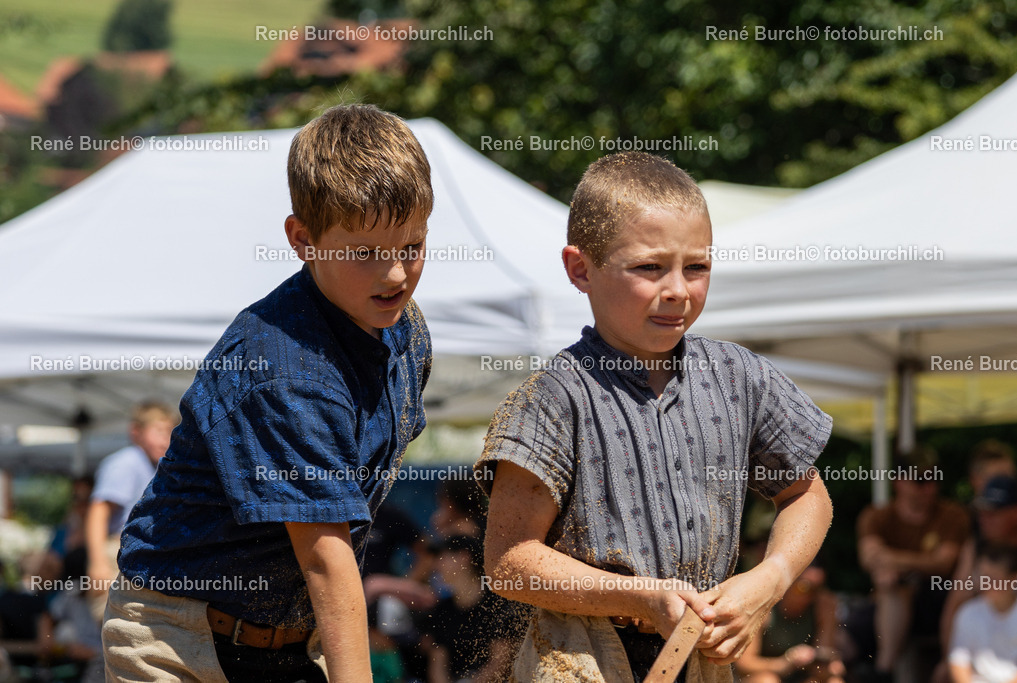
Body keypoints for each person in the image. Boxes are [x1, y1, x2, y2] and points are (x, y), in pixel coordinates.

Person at [101, 103, 434, 682]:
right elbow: (326, 558)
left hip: (296, 637)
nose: (396, 274)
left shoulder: (405, 330)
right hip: (178, 638)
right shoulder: (284, 369)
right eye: (366, 253)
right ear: (302, 239)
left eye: (411, 246)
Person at [476, 151, 834, 682]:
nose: (677, 290)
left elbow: (807, 495)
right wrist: (640, 598)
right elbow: (508, 561)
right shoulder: (554, 397)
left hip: (702, 656)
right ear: (581, 269)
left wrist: (771, 579)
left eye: (697, 267)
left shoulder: (739, 377)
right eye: (648, 267)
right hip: (580, 657)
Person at [857, 447, 970, 682]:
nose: (929, 487)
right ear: (899, 482)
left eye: (933, 478)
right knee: (846, 634)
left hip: (940, 601)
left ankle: (882, 672)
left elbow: (943, 564)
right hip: (888, 604)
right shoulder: (876, 516)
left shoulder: (953, 514)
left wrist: (892, 562)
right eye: (920, 480)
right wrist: (904, 567)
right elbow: (869, 558)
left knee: (893, 584)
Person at [84, 402, 176, 589]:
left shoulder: (157, 466)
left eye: (169, 432)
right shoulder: (127, 462)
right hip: (115, 554)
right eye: (158, 431)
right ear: (136, 432)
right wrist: (97, 562)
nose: (165, 439)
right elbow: (98, 512)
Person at [415, 535, 528, 682]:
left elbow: (501, 661)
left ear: (463, 557)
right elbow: (438, 660)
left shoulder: (498, 604)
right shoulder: (442, 609)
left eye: (441, 557)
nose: (436, 565)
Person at [941, 475, 1017, 654]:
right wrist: (950, 659)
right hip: (986, 653)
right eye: (981, 512)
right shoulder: (976, 547)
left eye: (993, 513)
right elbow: (956, 603)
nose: (983, 519)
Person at [735, 564, 844, 683]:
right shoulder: (765, 607)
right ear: (787, 584)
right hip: (764, 675)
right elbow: (744, 664)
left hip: (801, 676)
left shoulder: (822, 606)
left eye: (817, 589)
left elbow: (823, 655)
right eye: (804, 587)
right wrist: (784, 663)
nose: (809, 596)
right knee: (767, 680)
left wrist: (826, 665)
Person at [948, 544, 1017, 683]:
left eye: (993, 578)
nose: (985, 583)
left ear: (1013, 580)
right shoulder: (968, 612)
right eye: (982, 577)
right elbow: (959, 661)